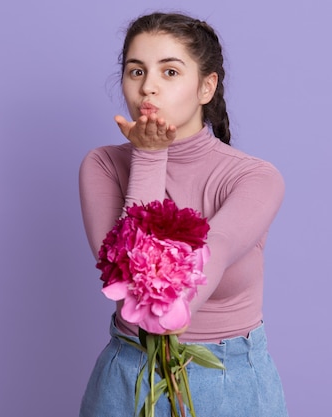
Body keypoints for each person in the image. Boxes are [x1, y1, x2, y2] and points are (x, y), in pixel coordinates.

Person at [79, 11, 288, 417]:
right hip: (128, 374)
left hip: (229, 382)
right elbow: (131, 284)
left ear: (206, 87)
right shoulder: (102, 165)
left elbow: (176, 301)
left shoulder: (255, 178)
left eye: (170, 72)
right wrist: (149, 157)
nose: (148, 87)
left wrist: (151, 152)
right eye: (135, 71)